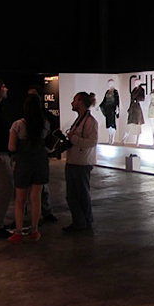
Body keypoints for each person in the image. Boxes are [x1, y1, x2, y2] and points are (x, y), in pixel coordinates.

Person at [7, 94, 50, 243]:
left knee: (20, 199)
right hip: (40, 163)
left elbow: (11, 147)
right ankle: (34, 230)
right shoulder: (44, 124)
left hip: (23, 164)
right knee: (36, 198)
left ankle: (18, 232)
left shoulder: (17, 125)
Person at [63, 92, 98, 232]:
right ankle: (82, 221)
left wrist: (73, 138)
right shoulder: (81, 120)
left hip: (81, 163)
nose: (72, 103)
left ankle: (82, 222)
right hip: (74, 161)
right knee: (74, 195)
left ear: (81, 102)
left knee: (80, 194)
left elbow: (92, 141)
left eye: (74, 100)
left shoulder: (90, 121)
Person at [27, 86, 58, 223]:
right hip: (30, 157)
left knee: (41, 186)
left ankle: (45, 212)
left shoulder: (45, 116)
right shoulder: (23, 118)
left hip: (38, 156)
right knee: (29, 187)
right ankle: (28, 216)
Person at [0, 79, 13, 238]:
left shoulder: (0, 109)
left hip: (2, 154)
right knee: (6, 188)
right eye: (3, 87)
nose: (6, 89)